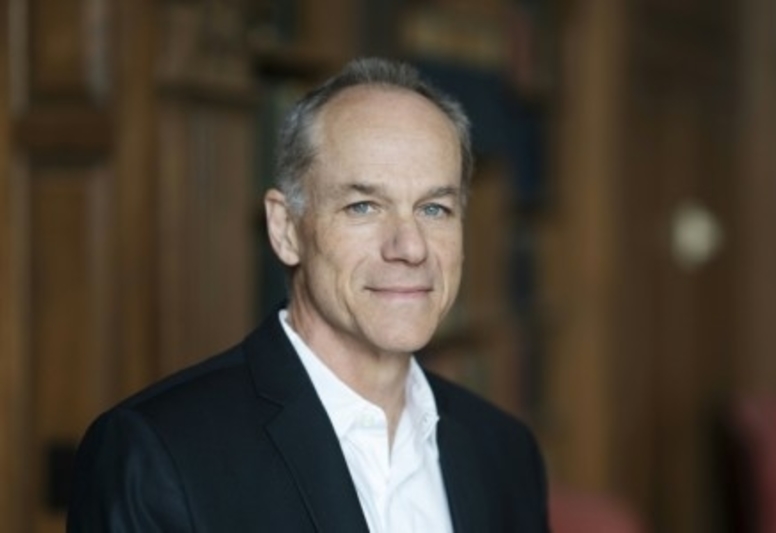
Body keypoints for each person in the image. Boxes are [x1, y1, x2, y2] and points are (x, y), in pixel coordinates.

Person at [68, 57, 550, 532]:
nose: (410, 247)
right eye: (363, 206)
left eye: (434, 209)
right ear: (285, 230)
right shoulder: (157, 455)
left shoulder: (504, 453)